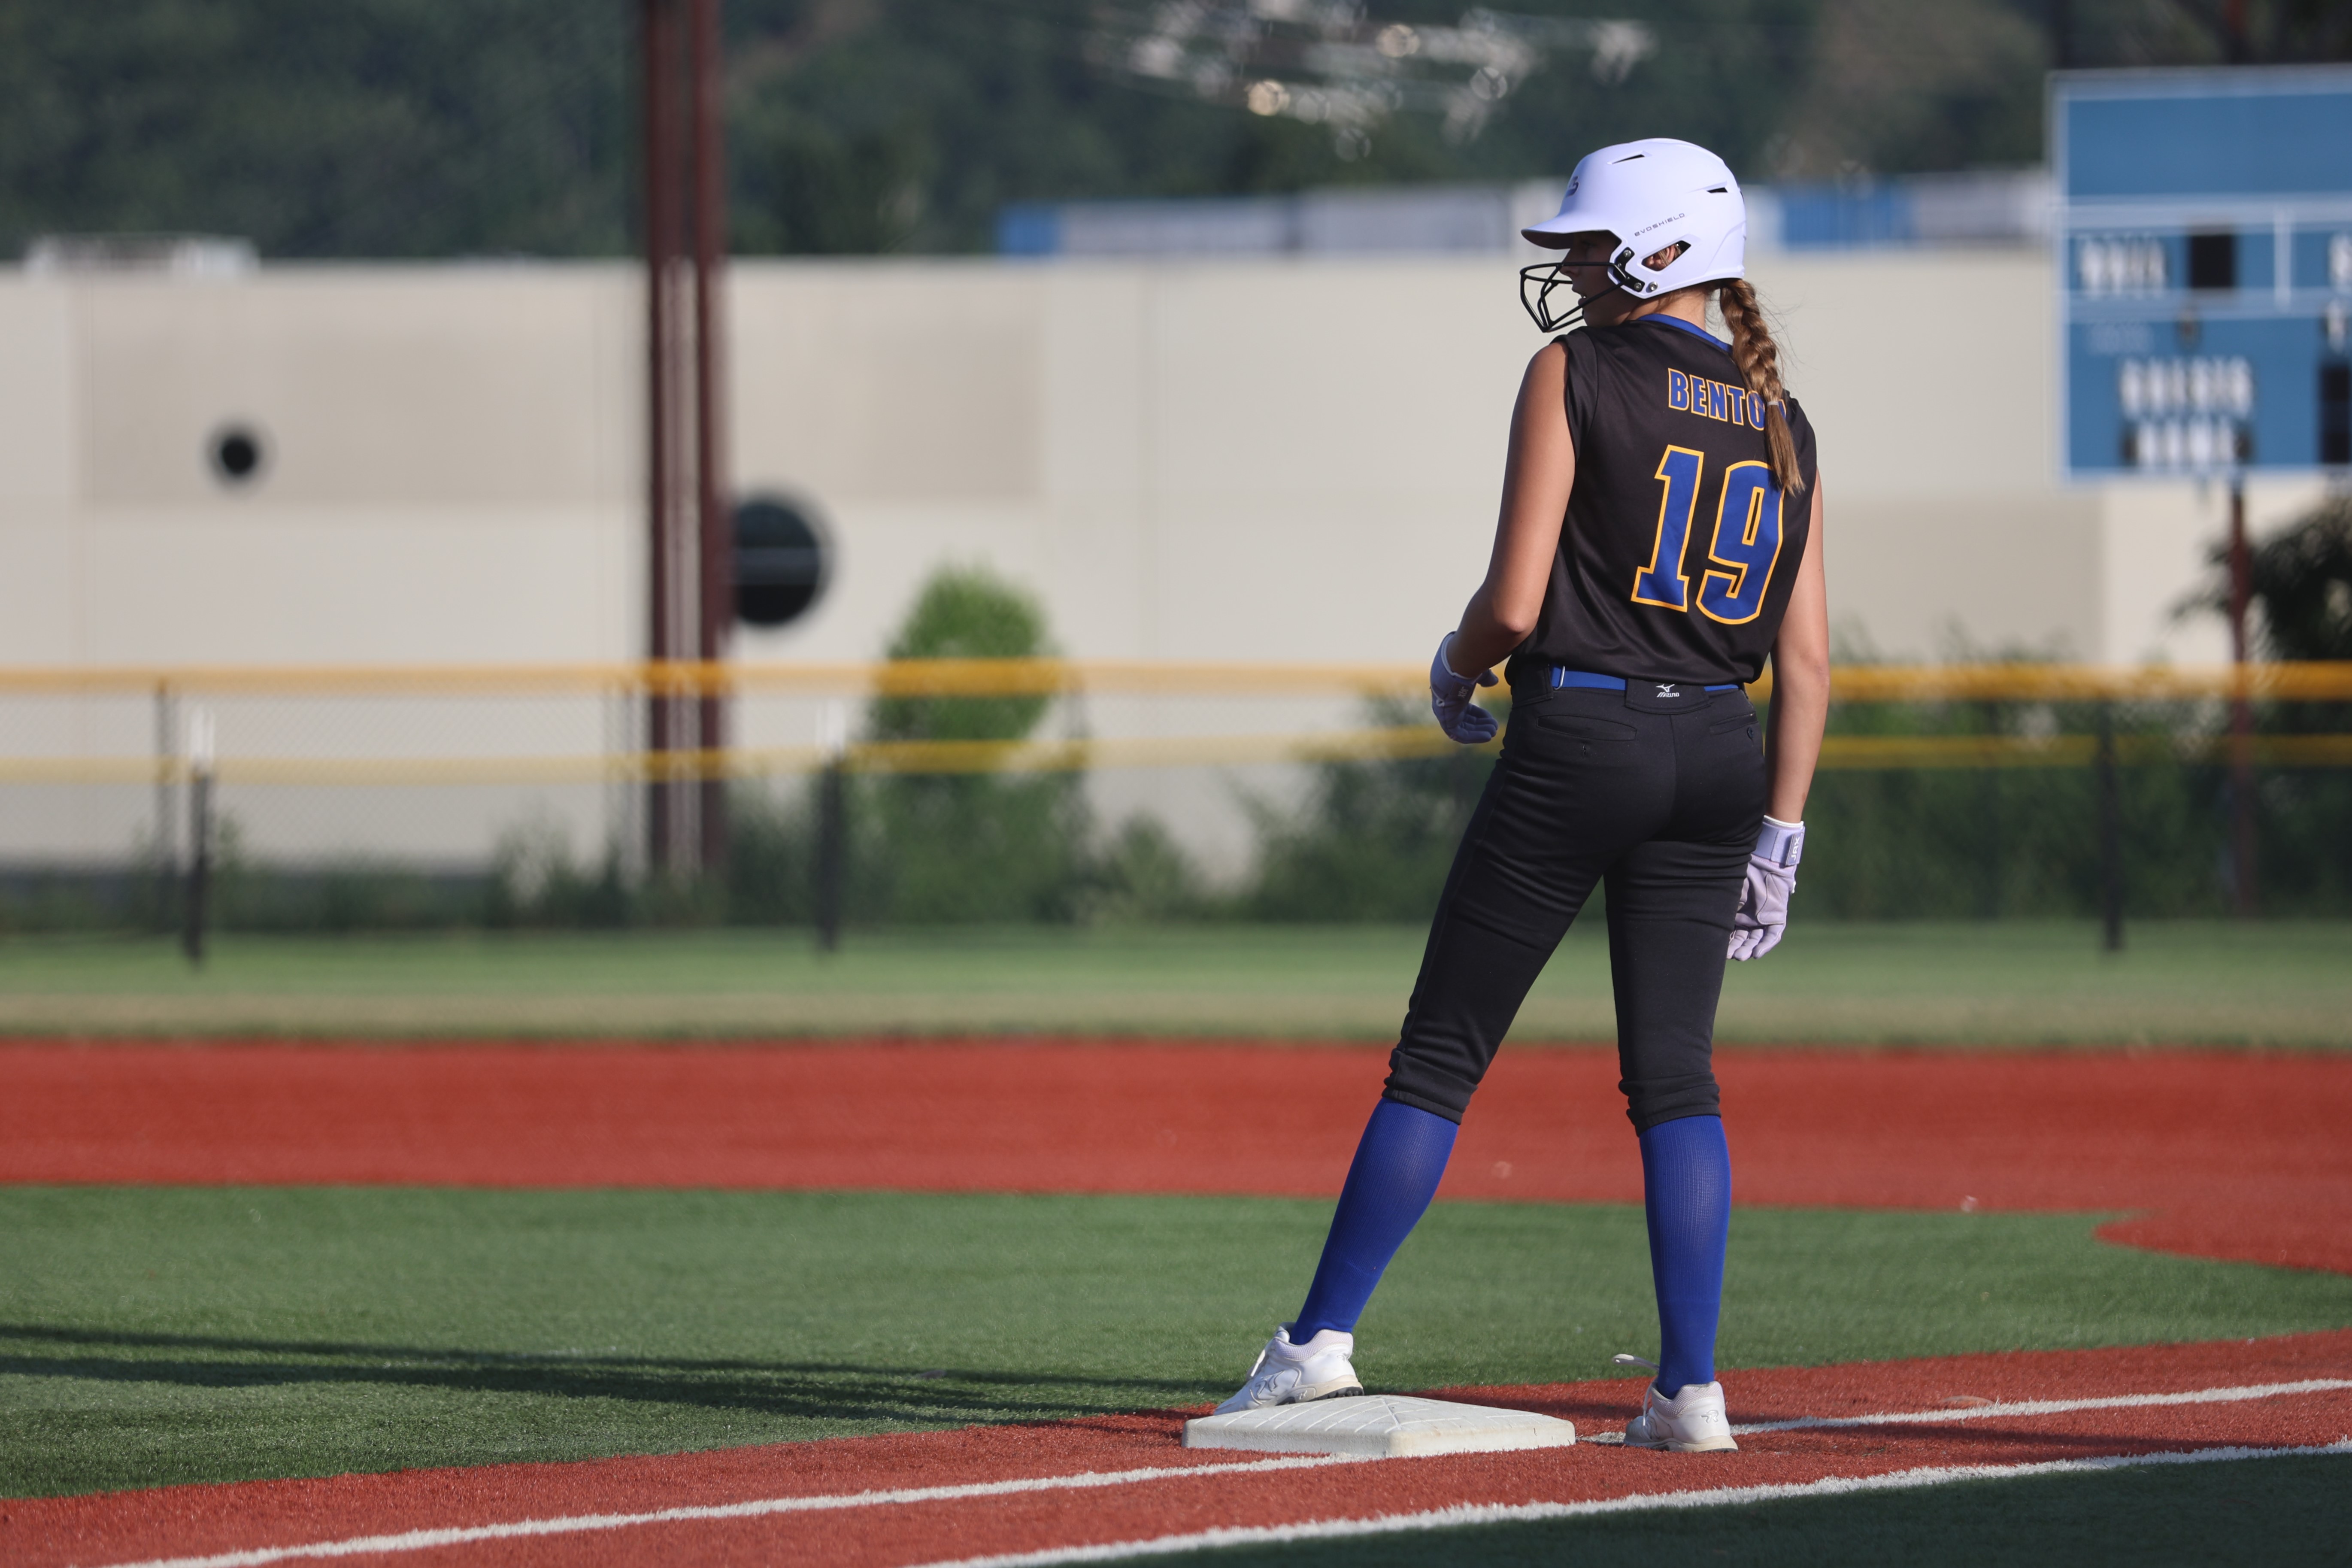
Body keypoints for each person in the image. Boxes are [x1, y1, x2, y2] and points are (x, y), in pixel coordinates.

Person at [1213, 138, 1830, 1454]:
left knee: (1439, 1057)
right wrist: (1782, 831)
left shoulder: (1573, 370)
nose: (1577, 270)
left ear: (1661, 249)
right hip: (1720, 754)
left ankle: (1316, 1346)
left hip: (1585, 739)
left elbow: (1512, 600)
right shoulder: (1785, 420)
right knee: (1677, 1083)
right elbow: (1812, 661)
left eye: (1594, 245)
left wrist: (1454, 666)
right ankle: (1692, 1392)